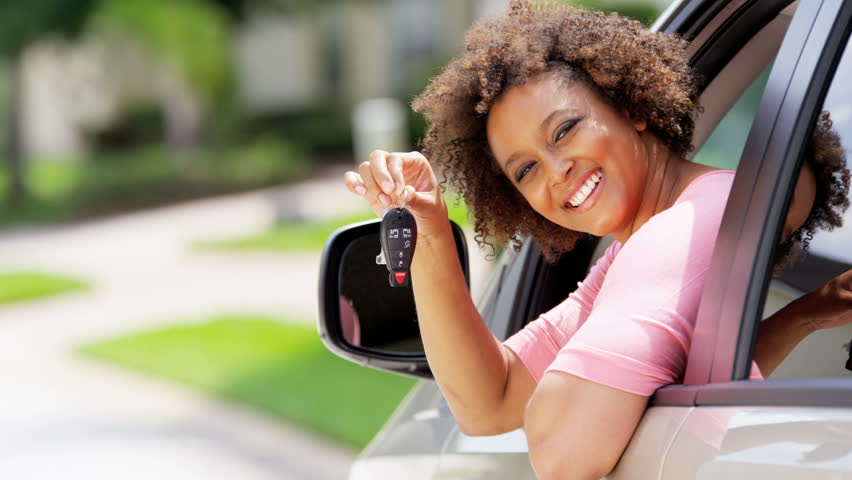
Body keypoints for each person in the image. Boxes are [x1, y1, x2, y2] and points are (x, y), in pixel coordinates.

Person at [342, 2, 850, 479]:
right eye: (525, 169)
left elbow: (564, 448)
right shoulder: (636, 249)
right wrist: (429, 232)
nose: (557, 170)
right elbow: (488, 403)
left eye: (564, 130)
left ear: (631, 109)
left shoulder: (691, 221)